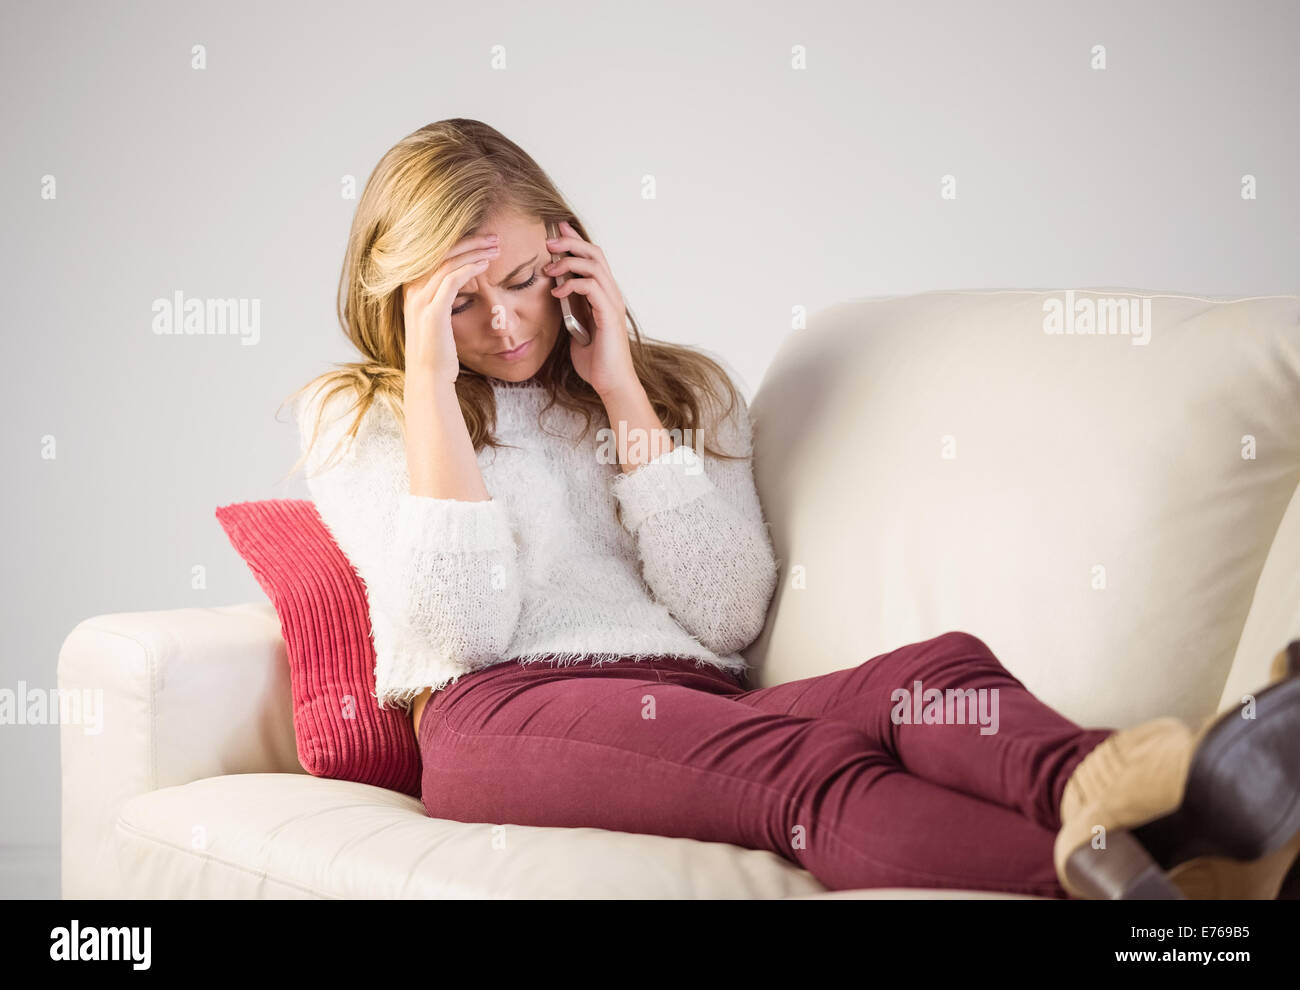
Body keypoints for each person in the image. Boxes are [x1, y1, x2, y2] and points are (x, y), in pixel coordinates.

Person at [285, 118, 1300, 899]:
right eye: (458, 303)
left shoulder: (682, 393)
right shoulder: (362, 415)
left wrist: (624, 394)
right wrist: (426, 384)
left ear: (566, 260)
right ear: (406, 300)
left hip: (689, 695)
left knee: (928, 673)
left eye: (517, 283)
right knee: (813, 772)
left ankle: (1177, 798)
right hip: (498, 716)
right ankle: (1175, 904)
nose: (503, 323)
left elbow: (727, 614)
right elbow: (459, 631)